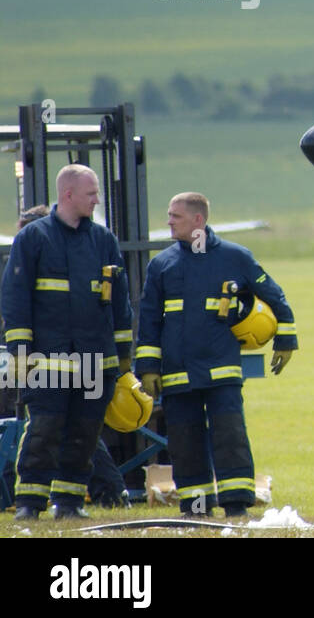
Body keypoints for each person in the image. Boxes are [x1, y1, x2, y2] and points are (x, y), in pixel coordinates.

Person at [136, 192, 297, 518]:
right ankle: (196, 507)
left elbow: (274, 296)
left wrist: (286, 339)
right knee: (184, 441)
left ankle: (236, 504)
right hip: (178, 372)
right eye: (169, 215)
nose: (168, 221)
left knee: (230, 435)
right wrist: (148, 367)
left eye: (175, 216)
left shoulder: (236, 258)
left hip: (221, 371)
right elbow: (149, 320)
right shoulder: (161, 265)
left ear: (198, 220)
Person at [1, 167, 133, 520]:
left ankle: (70, 503)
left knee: (84, 433)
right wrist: (20, 352)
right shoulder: (34, 238)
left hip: (95, 360)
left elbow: (120, 302)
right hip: (46, 360)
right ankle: (29, 503)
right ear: (69, 194)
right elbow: (15, 297)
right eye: (91, 193)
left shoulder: (103, 240)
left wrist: (123, 357)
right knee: (44, 430)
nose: (97, 199)